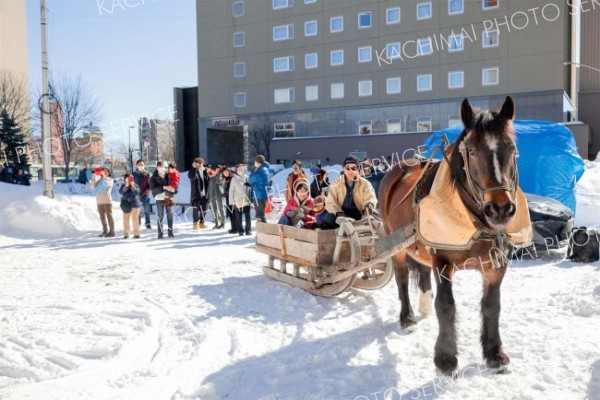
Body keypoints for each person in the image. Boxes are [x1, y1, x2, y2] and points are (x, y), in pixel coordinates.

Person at [325, 156, 377, 227]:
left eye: (353, 168)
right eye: (347, 168)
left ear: (358, 170)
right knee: (328, 218)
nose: (350, 171)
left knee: (376, 218)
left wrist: (369, 206)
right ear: (344, 169)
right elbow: (330, 202)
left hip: (359, 214)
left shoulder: (365, 183)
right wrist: (339, 213)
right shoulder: (336, 183)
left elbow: (370, 197)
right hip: (342, 214)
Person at [150, 161, 174, 238]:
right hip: (159, 198)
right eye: (159, 166)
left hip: (168, 197)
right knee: (160, 216)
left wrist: (172, 192)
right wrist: (164, 187)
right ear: (157, 168)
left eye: (163, 166)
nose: (161, 168)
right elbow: (153, 189)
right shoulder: (153, 177)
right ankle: (160, 233)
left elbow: (173, 186)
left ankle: (170, 232)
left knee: (169, 215)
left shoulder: (169, 175)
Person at [91, 167, 115, 237]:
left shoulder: (110, 180)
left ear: (109, 173)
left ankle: (112, 231)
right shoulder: (98, 180)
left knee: (109, 217)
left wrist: (103, 176)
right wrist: (94, 176)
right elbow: (93, 187)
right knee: (102, 218)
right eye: (103, 171)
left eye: (106, 171)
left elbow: (105, 186)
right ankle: (105, 231)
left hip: (107, 201)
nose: (104, 172)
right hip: (99, 201)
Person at [230, 163, 252, 235]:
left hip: (246, 199)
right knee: (238, 216)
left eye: (241, 169)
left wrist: (249, 185)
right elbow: (231, 191)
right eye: (239, 169)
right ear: (236, 170)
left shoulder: (247, 177)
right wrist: (231, 202)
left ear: (244, 170)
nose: (240, 170)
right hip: (237, 200)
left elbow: (251, 187)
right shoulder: (234, 179)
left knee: (248, 215)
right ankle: (240, 231)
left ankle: (248, 230)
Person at [189, 157, 210, 229]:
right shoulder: (193, 171)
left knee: (204, 209)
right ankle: (195, 223)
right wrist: (194, 168)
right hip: (196, 194)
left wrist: (206, 171)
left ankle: (202, 222)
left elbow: (209, 180)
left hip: (205, 194)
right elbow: (192, 177)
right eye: (198, 164)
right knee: (196, 209)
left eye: (201, 164)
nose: (200, 165)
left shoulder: (205, 171)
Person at [248, 155, 270, 223]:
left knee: (259, 215)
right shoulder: (264, 169)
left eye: (255, 162)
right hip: (261, 194)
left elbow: (252, 179)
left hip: (258, 194)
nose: (254, 163)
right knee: (260, 214)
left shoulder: (261, 170)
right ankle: (262, 230)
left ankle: (262, 230)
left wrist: (251, 175)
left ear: (258, 162)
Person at [119, 173, 141, 239]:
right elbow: (121, 192)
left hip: (135, 204)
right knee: (125, 220)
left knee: (135, 220)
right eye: (127, 178)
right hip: (126, 204)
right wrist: (126, 186)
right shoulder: (123, 185)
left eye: (130, 178)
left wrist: (132, 186)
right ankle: (126, 234)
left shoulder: (135, 185)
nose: (128, 179)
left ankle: (136, 234)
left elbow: (137, 192)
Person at [132, 159, 152, 229]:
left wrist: (147, 191)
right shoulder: (134, 174)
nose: (141, 166)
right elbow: (131, 184)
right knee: (137, 210)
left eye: (142, 165)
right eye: (139, 165)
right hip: (136, 195)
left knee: (146, 209)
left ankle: (148, 223)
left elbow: (150, 185)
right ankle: (138, 223)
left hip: (145, 194)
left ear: (144, 165)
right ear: (136, 165)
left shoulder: (147, 174)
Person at [208, 164, 225, 229]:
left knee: (221, 209)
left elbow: (219, 182)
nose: (217, 170)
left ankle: (222, 223)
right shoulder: (212, 177)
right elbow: (209, 187)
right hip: (212, 195)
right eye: (216, 169)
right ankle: (216, 223)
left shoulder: (221, 176)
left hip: (219, 195)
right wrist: (208, 195)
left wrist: (218, 174)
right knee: (214, 209)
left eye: (218, 169)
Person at [221, 166, 238, 234]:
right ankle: (233, 228)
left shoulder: (232, 178)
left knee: (234, 214)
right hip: (229, 198)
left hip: (233, 198)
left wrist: (227, 192)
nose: (225, 173)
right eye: (224, 173)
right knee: (231, 214)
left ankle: (235, 228)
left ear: (229, 171)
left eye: (226, 172)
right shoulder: (227, 179)